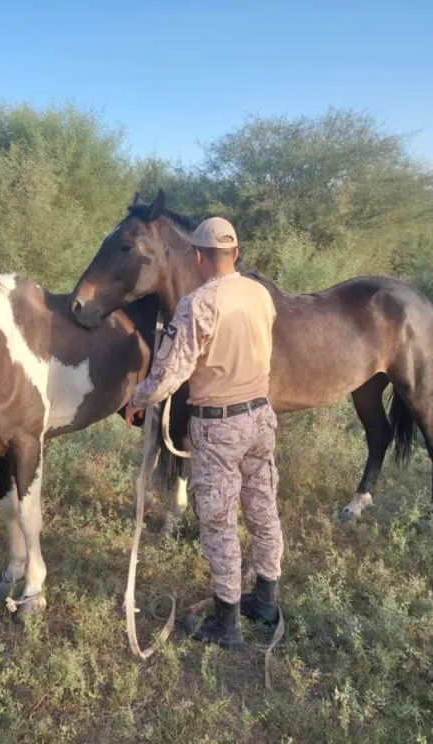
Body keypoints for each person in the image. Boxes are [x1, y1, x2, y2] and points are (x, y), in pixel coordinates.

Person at [125, 217, 281, 650]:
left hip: (219, 424)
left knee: (218, 519)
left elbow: (169, 374)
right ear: (235, 252)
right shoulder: (260, 294)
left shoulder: (199, 303)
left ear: (197, 256)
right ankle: (266, 599)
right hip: (260, 416)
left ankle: (226, 623)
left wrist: (136, 399)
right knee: (262, 505)